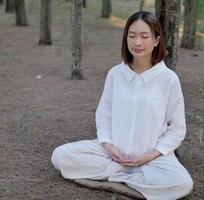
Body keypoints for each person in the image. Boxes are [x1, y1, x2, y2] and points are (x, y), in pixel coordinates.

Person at [51, 11, 193, 200]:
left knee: (182, 184)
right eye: (132, 36)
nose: (137, 43)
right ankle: (125, 175)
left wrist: (151, 155)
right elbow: (103, 114)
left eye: (144, 36)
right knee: (60, 156)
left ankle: (117, 179)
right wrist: (108, 145)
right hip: (113, 154)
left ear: (156, 40)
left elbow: (177, 128)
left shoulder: (168, 80)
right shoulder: (116, 74)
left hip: (151, 159)